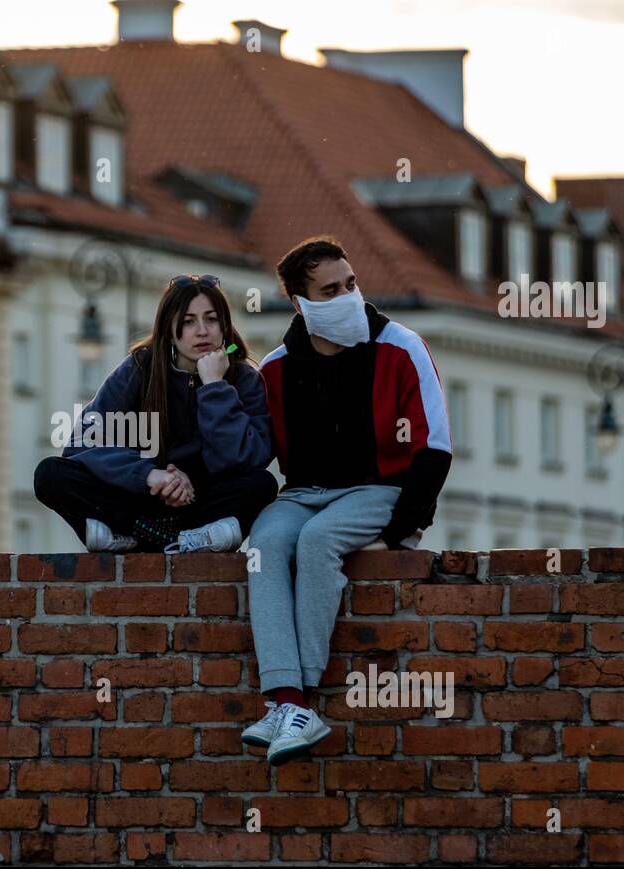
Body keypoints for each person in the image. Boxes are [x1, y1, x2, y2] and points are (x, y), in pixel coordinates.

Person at [241, 236, 453, 765]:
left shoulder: (402, 346)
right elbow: (246, 454)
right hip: (303, 492)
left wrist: (401, 532)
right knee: (264, 546)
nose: (348, 297)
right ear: (300, 303)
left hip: (379, 489)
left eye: (351, 284)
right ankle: (286, 703)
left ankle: (301, 700)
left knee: (317, 543)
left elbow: (435, 448)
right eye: (330, 290)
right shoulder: (275, 368)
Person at [35, 274, 278, 554]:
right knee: (51, 473)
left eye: (211, 319)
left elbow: (245, 460)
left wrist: (215, 387)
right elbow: (83, 443)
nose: (202, 331)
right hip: (139, 503)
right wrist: (150, 476)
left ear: (224, 326)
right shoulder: (139, 369)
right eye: (188, 322)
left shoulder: (244, 378)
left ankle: (189, 538)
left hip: (202, 506)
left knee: (261, 484)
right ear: (169, 330)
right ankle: (141, 535)